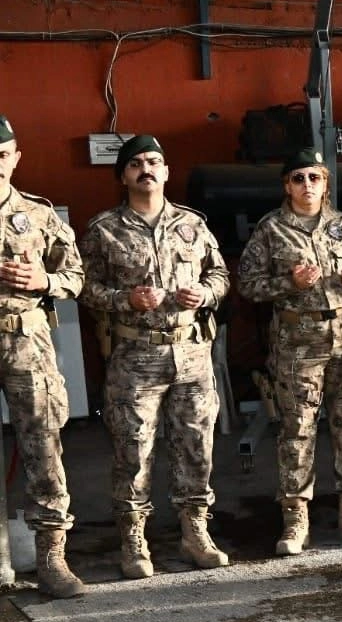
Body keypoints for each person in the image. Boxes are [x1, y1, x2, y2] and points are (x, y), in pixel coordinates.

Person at [81, 134, 232, 578]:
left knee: (197, 445)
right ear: (123, 176)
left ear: (166, 171)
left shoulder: (192, 224)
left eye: (153, 161)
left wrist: (205, 293)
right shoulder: (104, 229)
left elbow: (220, 274)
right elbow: (83, 286)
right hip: (135, 356)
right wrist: (125, 299)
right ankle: (134, 540)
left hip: (191, 352)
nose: (145, 169)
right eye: (135, 164)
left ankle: (195, 531)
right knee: (133, 449)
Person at [238, 148, 342, 556]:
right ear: (287, 186)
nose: (307, 185)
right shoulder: (271, 229)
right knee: (297, 429)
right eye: (298, 178)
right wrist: (290, 283)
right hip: (298, 343)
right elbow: (247, 285)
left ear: (325, 183)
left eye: (314, 178)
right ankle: (296, 517)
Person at [0, 115, 86, 598]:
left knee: (43, 444)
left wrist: (44, 281)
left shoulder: (37, 214)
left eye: (2, 155)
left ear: (15, 159)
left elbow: (75, 275)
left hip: (26, 341)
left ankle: (52, 557)